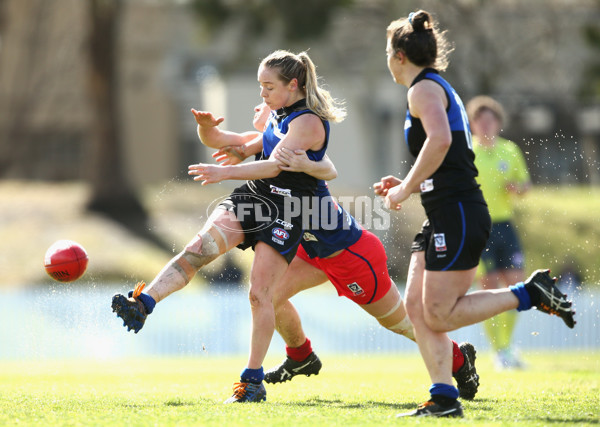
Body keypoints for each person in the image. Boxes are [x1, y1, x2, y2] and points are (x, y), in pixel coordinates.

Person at [112, 50, 346, 404]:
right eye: (260, 86)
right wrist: (206, 129)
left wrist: (225, 173)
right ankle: (144, 302)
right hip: (256, 197)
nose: (262, 94)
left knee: (259, 294)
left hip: (288, 209)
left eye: (269, 86)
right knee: (199, 247)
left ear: (293, 85)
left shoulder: (308, 122)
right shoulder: (277, 115)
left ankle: (252, 381)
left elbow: (272, 167)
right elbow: (228, 141)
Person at [375, 10, 575, 418]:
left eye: (386, 53)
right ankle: (443, 398)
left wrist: (405, 187)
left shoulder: (421, 89)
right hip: (444, 212)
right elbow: (445, 155)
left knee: (439, 312)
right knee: (416, 306)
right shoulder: (431, 87)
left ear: (398, 55)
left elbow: (441, 140)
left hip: (458, 213)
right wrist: (412, 181)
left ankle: (529, 293)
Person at [210, 103, 480, 401]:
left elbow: (328, 168)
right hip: (311, 250)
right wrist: (206, 127)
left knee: (401, 323)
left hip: (349, 254)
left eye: (270, 95)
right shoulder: (266, 141)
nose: (262, 104)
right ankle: (301, 356)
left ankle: (459, 359)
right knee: (267, 298)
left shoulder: (296, 146)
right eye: (261, 98)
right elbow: (223, 139)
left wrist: (306, 167)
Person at [467, 95, 531, 370]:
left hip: (505, 225)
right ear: (472, 124)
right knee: (488, 289)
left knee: (516, 286)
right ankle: (500, 351)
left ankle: (506, 345)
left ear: (498, 123)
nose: (485, 125)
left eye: (490, 120)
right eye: (480, 120)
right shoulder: (467, 151)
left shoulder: (509, 150)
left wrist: (518, 188)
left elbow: (525, 184)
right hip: (479, 227)